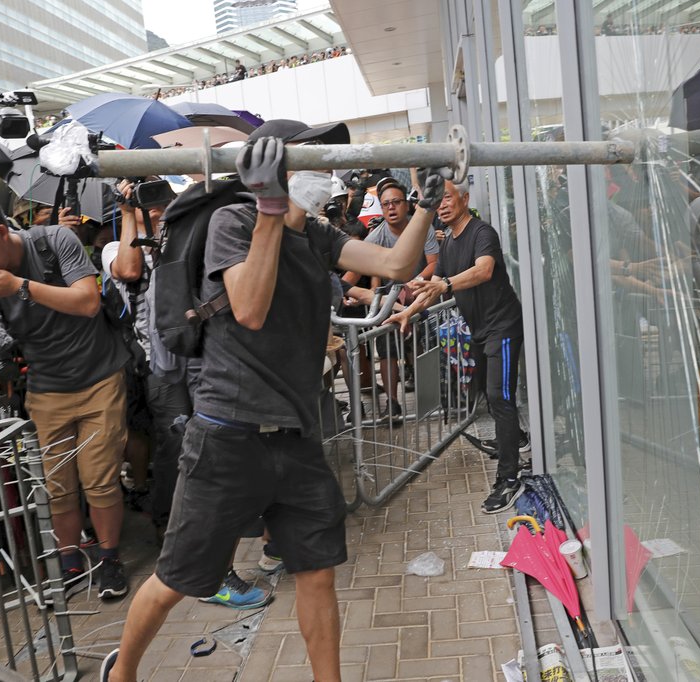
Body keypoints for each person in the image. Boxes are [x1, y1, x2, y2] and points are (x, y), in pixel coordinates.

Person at [100, 119, 449, 682]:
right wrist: (266, 210)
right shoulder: (232, 220)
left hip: (295, 432)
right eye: (314, 162)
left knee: (317, 571)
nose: (327, 175)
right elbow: (251, 308)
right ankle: (122, 674)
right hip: (227, 433)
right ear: (277, 169)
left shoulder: (313, 232)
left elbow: (393, 265)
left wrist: (426, 205)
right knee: (177, 578)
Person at [0, 196, 131, 599]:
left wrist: (20, 286)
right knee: (57, 485)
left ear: (2, 233)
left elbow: (87, 302)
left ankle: (110, 561)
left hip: (100, 378)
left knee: (99, 481)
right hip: (46, 390)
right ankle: (70, 560)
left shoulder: (55, 241)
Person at [102, 179, 269, 609]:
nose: (157, 208)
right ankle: (198, 566)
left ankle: (208, 564)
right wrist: (128, 214)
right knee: (191, 465)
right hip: (164, 373)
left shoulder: (193, 234)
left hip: (205, 362)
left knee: (218, 462)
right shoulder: (123, 247)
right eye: (149, 203)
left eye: (164, 200)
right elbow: (129, 271)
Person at [387, 179, 529, 514]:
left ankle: (509, 477)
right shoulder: (449, 243)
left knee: (500, 396)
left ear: (464, 199)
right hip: (479, 330)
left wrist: (446, 283)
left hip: (503, 327)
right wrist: (407, 312)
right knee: (485, 391)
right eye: (438, 201)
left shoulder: (482, 233)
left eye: (448, 197)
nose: (443, 205)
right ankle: (515, 438)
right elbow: (436, 285)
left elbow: (484, 270)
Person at [343, 176, 439, 417]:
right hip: (391, 304)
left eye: (396, 202)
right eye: (386, 204)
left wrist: (413, 283)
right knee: (386, 350)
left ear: (406, 204)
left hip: (420, 299)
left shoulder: (422, 228)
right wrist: (339, 289)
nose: (391, 208)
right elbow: (356, 267)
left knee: (421, 347)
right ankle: (393, 404)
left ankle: (433, 397)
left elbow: (434, 265)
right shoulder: (376, 235)